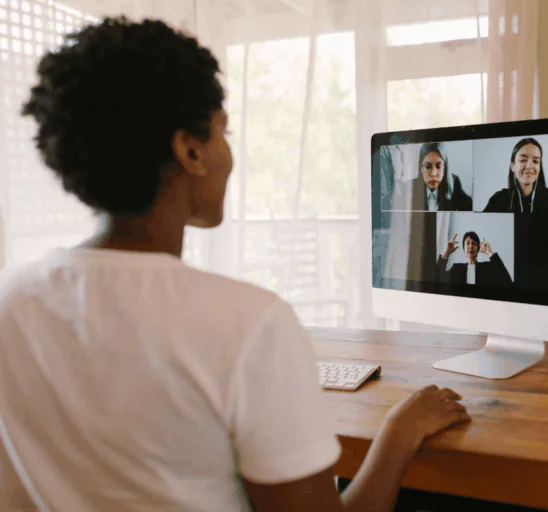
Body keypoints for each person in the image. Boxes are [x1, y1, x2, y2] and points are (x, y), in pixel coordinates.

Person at [0, 17, 470, 512]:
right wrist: (398, 433)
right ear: (190, 150)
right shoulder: (248, 322)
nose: (229, 153)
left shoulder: (13, 303)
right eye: (224, 131)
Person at [482, 137, 548, 216]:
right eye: (523, 160)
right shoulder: (498, 200)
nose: (529, 166)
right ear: (513, 166)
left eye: (535, 161)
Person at [400, 142, 473, 212]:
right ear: (421, 168)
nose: (433, 174)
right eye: (428, 166)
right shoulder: (410, 187)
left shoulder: (454, 184)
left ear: (444, 168)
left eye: (439, 166)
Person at [436, 232, 512, 286]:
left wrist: (490, 253)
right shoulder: (456, 268)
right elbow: (437, 278)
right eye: (468, 243)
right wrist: (447, 252)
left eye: (474, 243)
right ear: (464, 249)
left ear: (478, 248)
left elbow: (506, 280)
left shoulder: (486, 268)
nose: (470, 246)